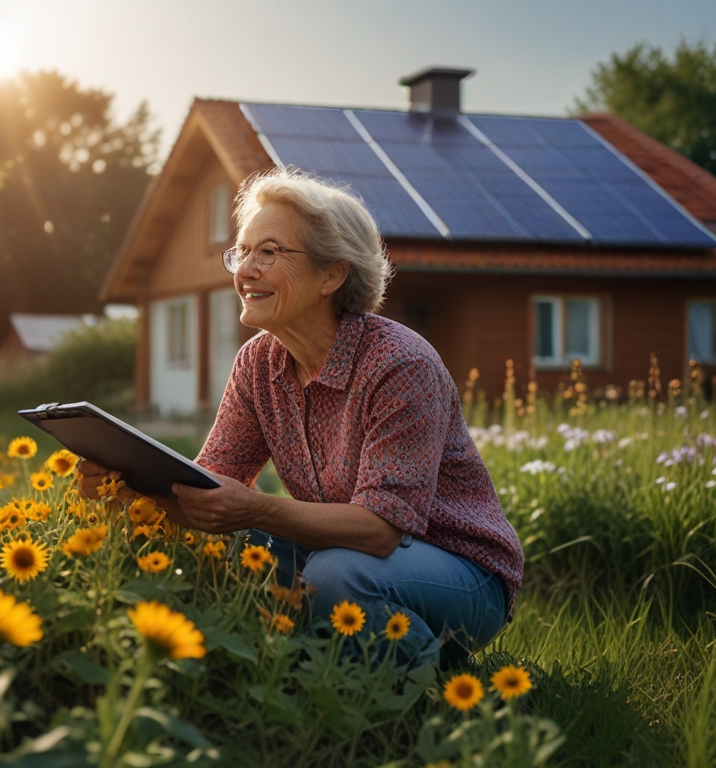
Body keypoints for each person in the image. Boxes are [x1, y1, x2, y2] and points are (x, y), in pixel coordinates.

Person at [164, 167, 524, 668]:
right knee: (230, 552)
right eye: (242, 251)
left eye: (268, 252)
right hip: (344, 551)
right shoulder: (257, 363)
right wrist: (131, 485)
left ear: (332, 274)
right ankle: (285, 675)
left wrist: (257, 508)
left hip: (461, 572)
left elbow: (380, 529)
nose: (246, 269)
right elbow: (214, 488)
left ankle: (433, 687)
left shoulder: (399, 364)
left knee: (336, 576)